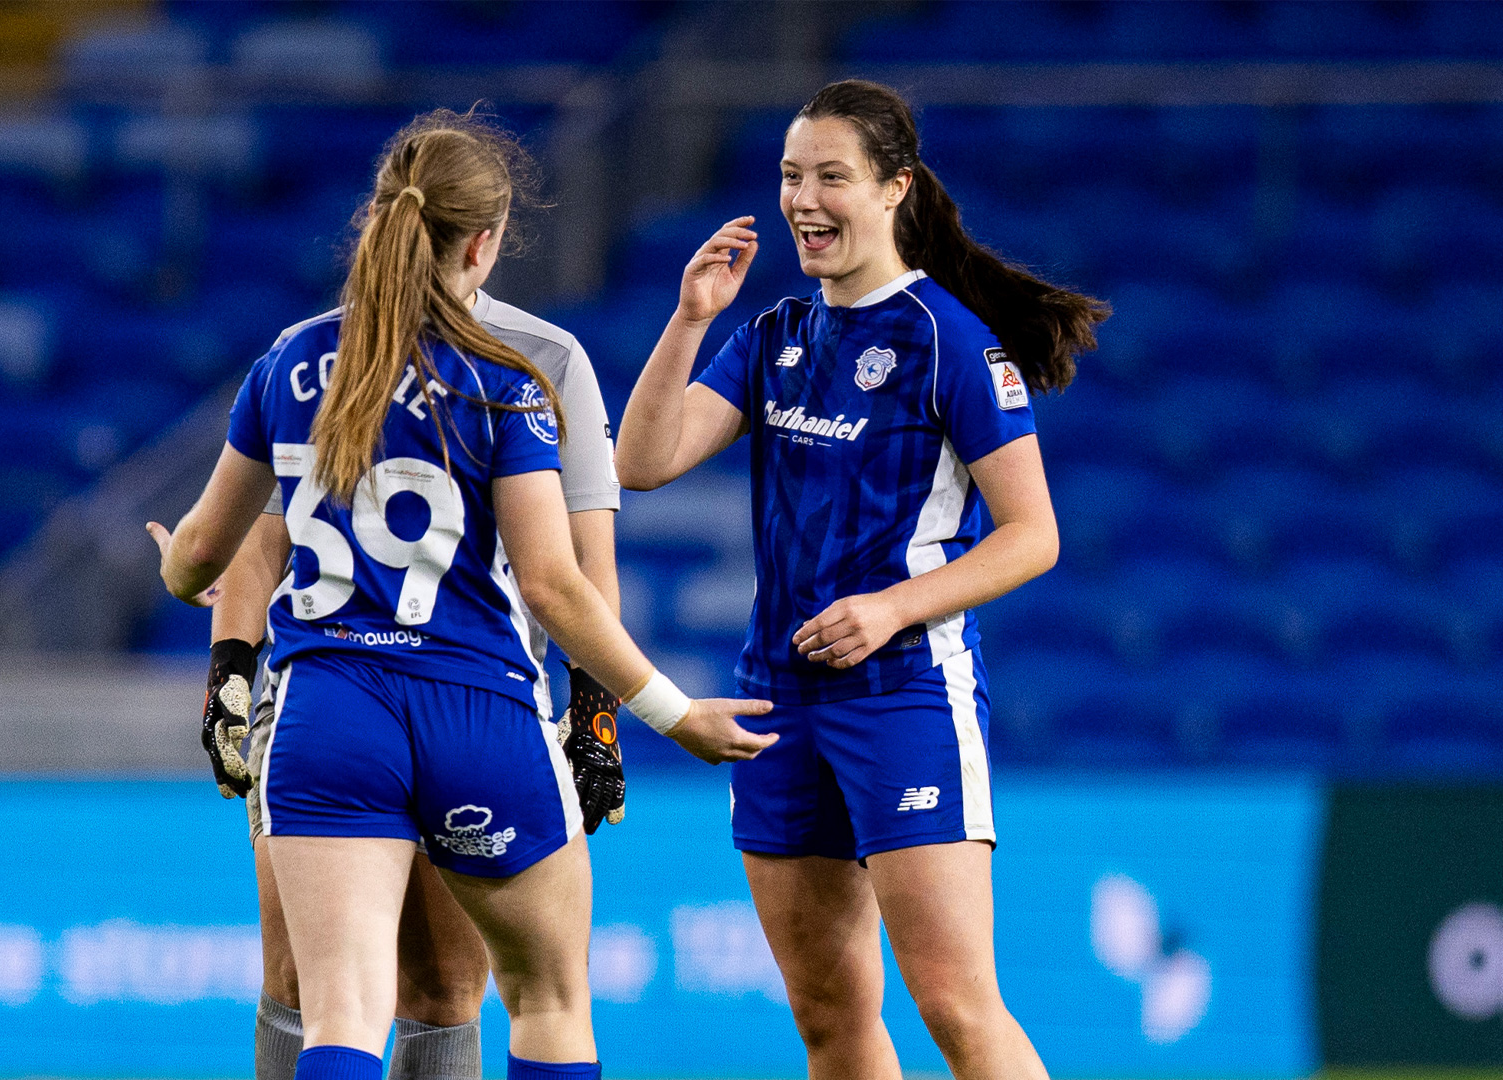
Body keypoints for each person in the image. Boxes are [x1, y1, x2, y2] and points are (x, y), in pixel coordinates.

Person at [147, 109, 775, 1080]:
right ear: (483, 241)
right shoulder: (508, 380)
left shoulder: (292, 364)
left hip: (330, 708)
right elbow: (558, 586)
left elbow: (202, 554)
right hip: (477, 708)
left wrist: (181, 576)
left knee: (343, 1014)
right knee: (549, 1000)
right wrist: (668, 712)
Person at [612, 79, 1108, 1080]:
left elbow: (1033, 536)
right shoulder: (773, 337)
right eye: (792, 176)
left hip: (905, 698)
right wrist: (688, 319)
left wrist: (892, 608)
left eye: (831, 176)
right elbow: (642, 460)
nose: (804, 199)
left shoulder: (951, 344)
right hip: (777, 701)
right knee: (830, 1017)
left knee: (957, 1008)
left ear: (894, 189)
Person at [198, 163, 635, 1080]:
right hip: (372, 691)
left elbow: (581, 564)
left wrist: (594, 715)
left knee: (435, 984)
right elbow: (264, 537)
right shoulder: (331, 351)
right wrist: (230, 672)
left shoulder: (544, 359)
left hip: (427, 685)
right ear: (486, 237)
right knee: (299, 974)